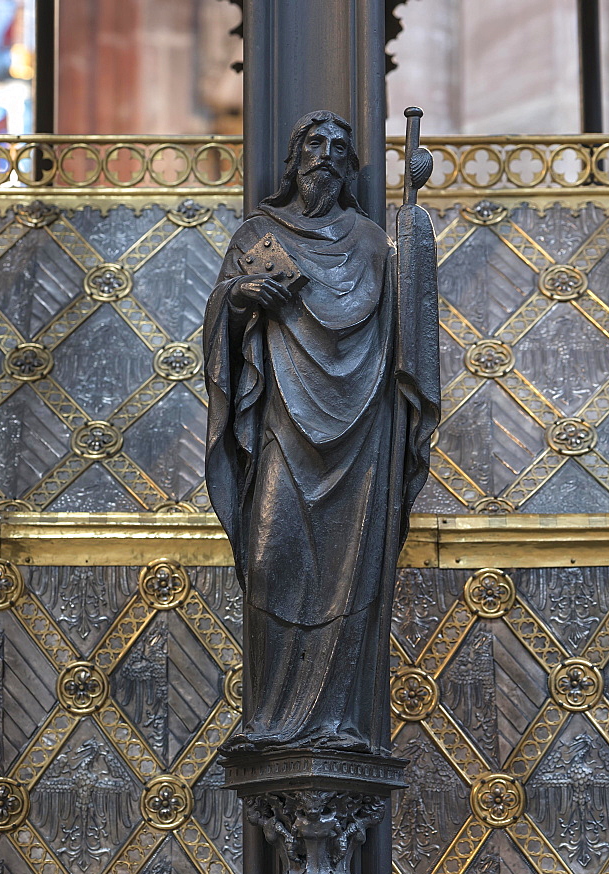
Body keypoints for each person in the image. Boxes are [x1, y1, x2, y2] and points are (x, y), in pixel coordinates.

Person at [203, 110, 438, 752]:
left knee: (353, 567)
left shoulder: (369, 241)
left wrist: (414, 238)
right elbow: (223, 314)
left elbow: (403, 325)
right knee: (271, 556)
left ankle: (338, 721)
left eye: (341, 147)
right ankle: (272, 720)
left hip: (363, 429)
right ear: (294, 158)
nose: (329, 155)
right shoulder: (259, 232)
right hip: (283, 422)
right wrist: (242, 297)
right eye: (316, 143)